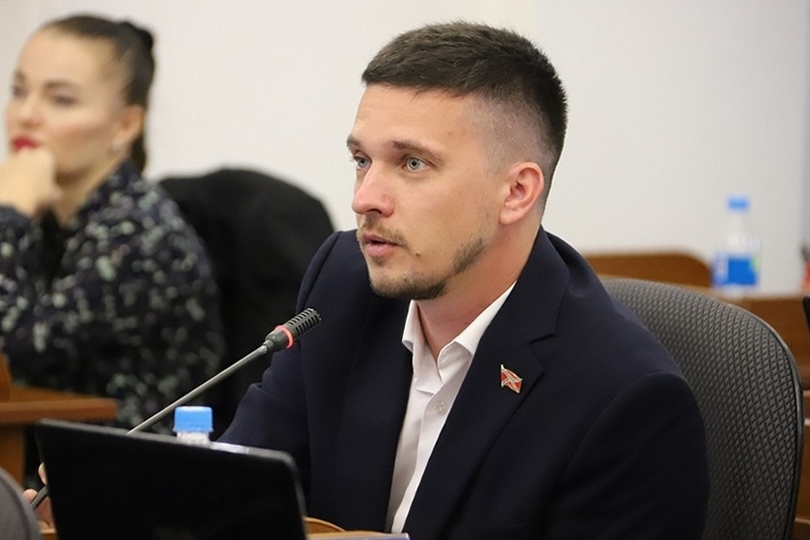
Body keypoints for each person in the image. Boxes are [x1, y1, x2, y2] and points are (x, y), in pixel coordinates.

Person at [30, 21, 710, 539]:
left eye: (412, 164)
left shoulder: (627, 402)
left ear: (516, 192)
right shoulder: (344, 285)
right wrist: (120, 493)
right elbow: (239, 483)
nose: (364, 198)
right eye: (362, 160)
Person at [0, 15, 224, 451]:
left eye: (61, 99)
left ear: (125, 126)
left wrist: (9, 217)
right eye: (19, 91)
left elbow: (17, 353)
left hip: (131, 474)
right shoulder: (49, 220)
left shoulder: (141, 236)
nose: (26, 116)